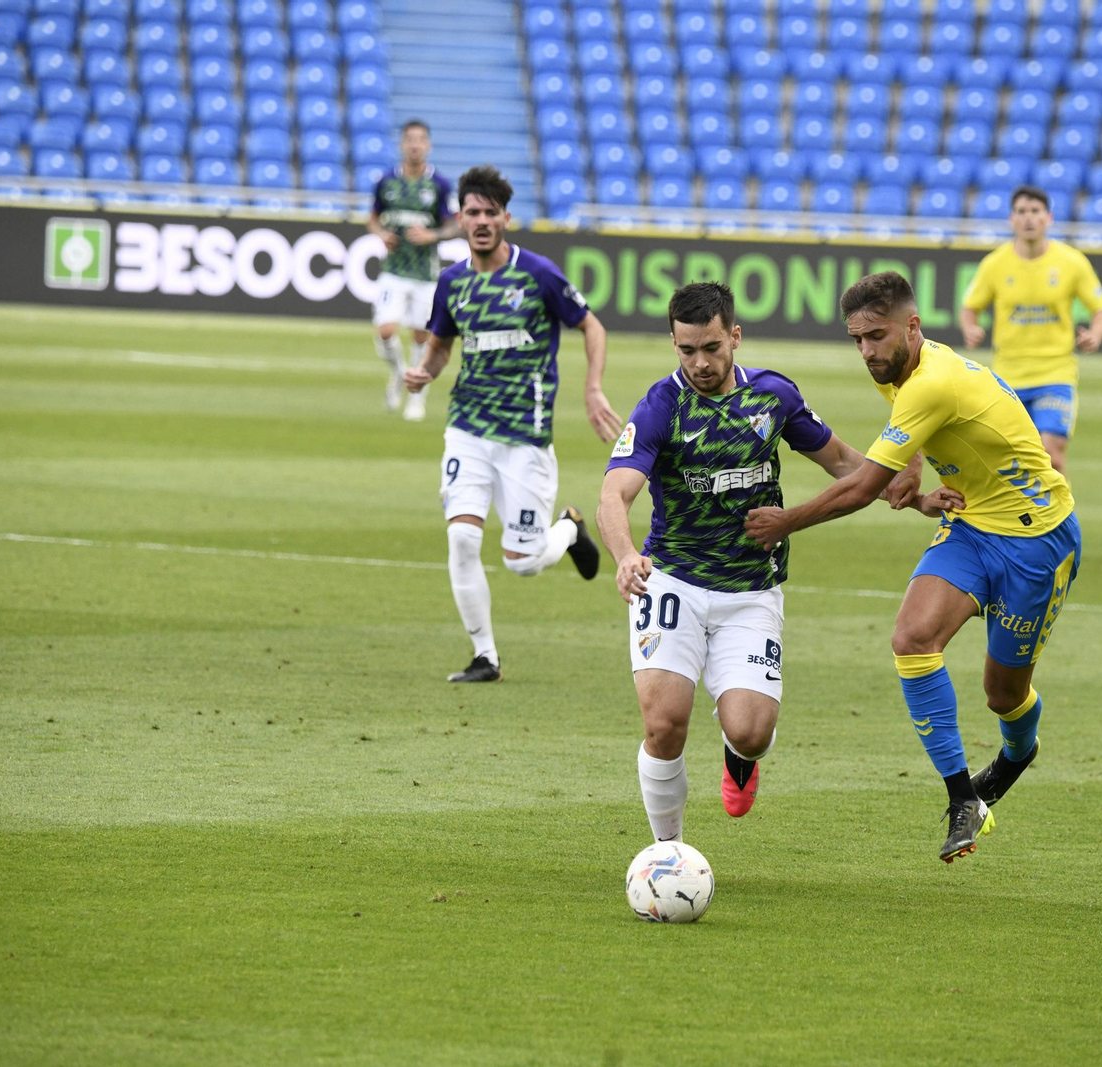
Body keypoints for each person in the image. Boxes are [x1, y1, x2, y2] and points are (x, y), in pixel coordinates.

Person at [746, 272, 1080, 865]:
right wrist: (918, 471)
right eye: (857, 339)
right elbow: (919, 428)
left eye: (876, 336)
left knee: (1003, 695)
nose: (867, 351)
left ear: (912, 326)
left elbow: (861, 489)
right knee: (912, 638)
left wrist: (785, 522)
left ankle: (1016, 756)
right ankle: (962, 799)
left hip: (1038, 541)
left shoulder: (932, 381)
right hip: (970, 523)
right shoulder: (898, 368)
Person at [596, 282, 925, 843]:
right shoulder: (660, 407)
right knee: (664, 725)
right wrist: (626, 555)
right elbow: (614, 494)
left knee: (750, 733)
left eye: (711, 348)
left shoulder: (773, 396)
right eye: (687, 350)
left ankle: (739, 757)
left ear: (735, 337)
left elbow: (842, 461)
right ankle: (668, 854)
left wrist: (916, 498)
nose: (700, 363)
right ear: (674, 345)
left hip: (751, 588)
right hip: (672, 580)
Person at [406, 165, 623, 682]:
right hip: (467, 428)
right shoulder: (452, 283)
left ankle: (569, 528)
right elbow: (441, 347)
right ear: (460, 219)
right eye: (472, 212)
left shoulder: (538, 274)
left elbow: (592, 326)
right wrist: (426, 372)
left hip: (525, 436)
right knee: (462, 540)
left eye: (490, 212)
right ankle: (485, 657)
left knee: (522, 562)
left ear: (506, 217)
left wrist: (593, 388)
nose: (481, 221)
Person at [958, 185, 1102, 476]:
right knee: (1006, 462)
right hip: (1008, 375)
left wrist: (1095, 334)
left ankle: (1058, 508)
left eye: (1035, 211)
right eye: (1021, 211)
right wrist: (971, 328)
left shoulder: (1071, 262)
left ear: (1048, 218)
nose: (1028, 218)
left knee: (1052, 456)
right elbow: (970, 307)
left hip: (1055, 373)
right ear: (1011, 219)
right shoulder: (994, 264)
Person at [368, 120, 458, 421]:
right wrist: (381, 234)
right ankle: (399, 373)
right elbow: (372, 219)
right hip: (394, 269)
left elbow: (454, 226)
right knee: (385, 331)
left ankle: (417, 397)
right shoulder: (386, 182)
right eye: (410, 139)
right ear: (402, 144)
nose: (415, 145)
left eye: (421, 140)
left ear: (428, 145)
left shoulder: (439, 185)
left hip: (425, 274)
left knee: (422, 336)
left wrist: (432, 235)